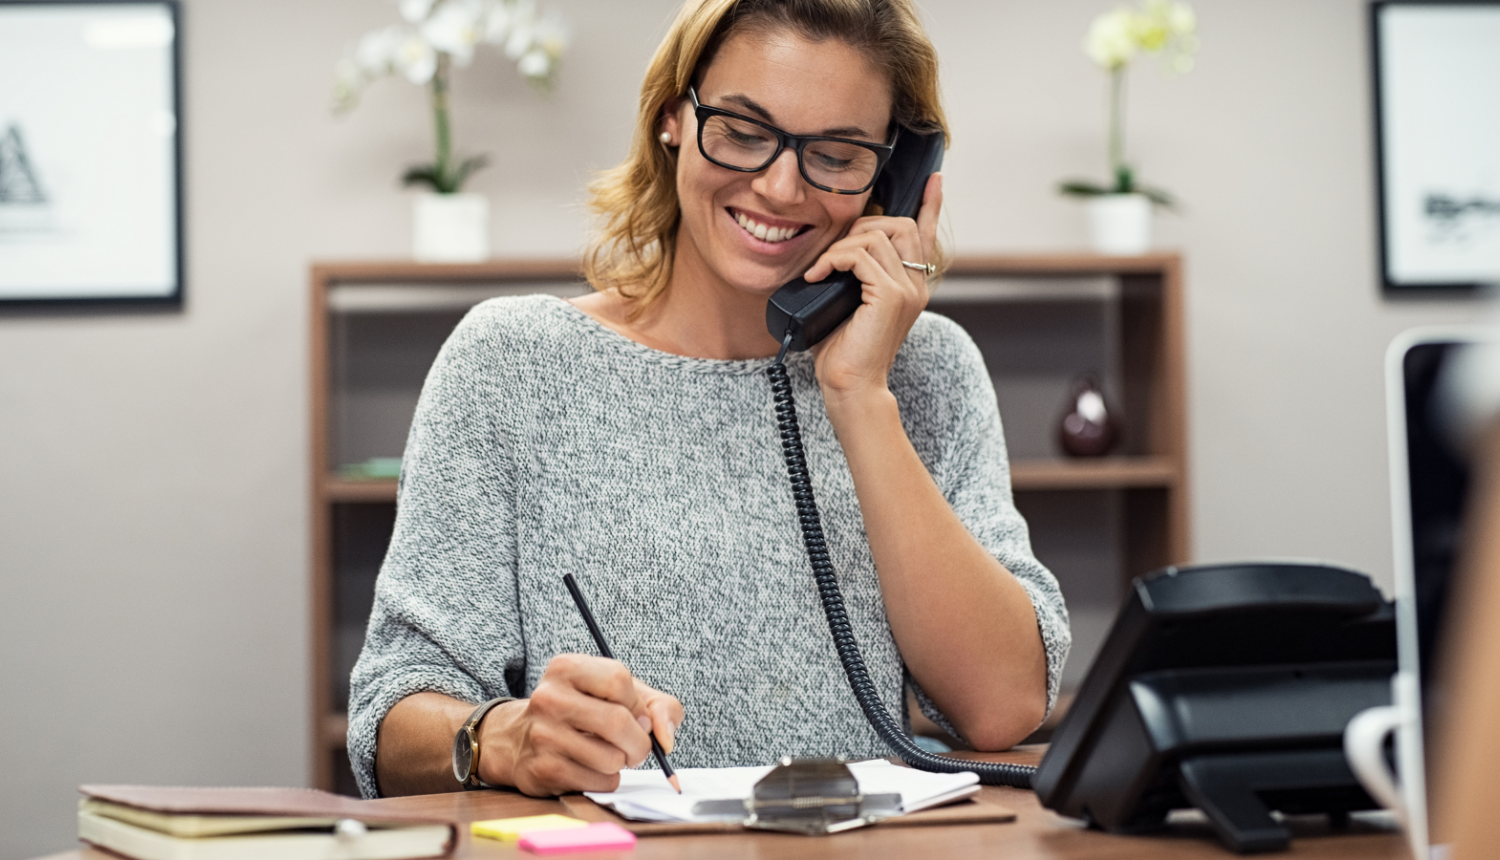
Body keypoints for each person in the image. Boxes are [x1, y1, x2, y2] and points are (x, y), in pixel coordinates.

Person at [348, 0, 1070, 800]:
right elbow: (388, 713)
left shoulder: (926, 370)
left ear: (894, 175)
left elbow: (1001, 707)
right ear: (673, 118)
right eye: (742, 129)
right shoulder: (512, 362)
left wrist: (858, 394)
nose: (781, 184)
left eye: (836, 152)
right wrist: (500, 739)